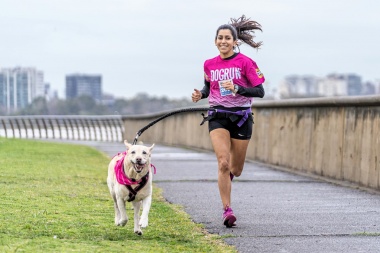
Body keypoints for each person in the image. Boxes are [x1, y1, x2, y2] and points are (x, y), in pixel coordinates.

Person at [191, 15, 265, 228]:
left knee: (236, 169)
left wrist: (238, 89)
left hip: (241, 118)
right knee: (223, 162)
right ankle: (227, 210)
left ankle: (227, 180)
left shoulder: (246, 63)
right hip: (218, 116)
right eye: (219, 38)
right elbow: (208, 87)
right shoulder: (209, 64)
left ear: (235, 42)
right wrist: (200, 95)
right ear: (215, 41)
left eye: (227, 38)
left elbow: (259, 91)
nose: (223, 41)